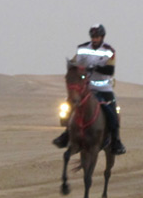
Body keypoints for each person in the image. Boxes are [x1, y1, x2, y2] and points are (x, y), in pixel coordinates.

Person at [52, 24, 126, 154]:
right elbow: (74, 63)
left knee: (113, 113)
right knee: (71, 106)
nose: (94, 39)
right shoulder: (82, 49)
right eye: (93, 37)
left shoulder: (109, 51)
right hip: (86, 87)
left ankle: (116, 141)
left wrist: (94, 67)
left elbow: (110, 69)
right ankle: (66, 134)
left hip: (104, 88)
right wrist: (72, 66)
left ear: (102, 37)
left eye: (97, 37)